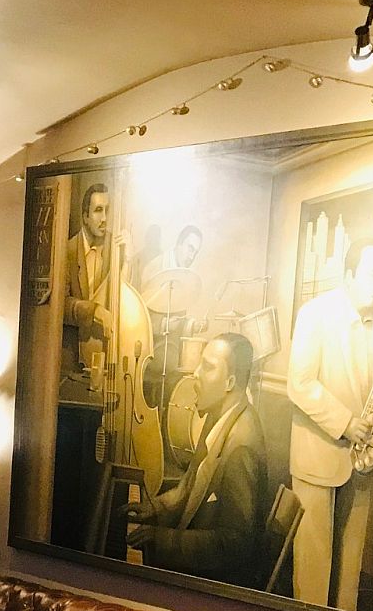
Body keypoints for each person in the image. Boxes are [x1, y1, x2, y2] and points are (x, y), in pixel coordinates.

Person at [286, 237, 373, 610]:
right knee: (313, 566)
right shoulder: (315, 314)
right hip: (319, 451)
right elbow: (299, 384)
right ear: (349, 274)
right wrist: (346, 423)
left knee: (350, 568)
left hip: (360, 456)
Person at [126, 333, 267, 586]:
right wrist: (155, 509)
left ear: (230, 382)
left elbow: (235, 544)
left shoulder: (242, 447)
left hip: (215, 584)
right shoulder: (218, 415)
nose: (196, 374)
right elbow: (189, 486)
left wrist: (162, 539)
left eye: (208, 367)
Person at [63, 183, 120, 371]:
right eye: (98, 210)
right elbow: (60, 304)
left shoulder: (114, 248)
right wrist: (94, 311)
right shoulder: (68, 251)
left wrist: (127, 259)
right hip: (74, 356)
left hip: (106, 354)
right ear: (85, 216)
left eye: (107, 210)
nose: (104, 219)